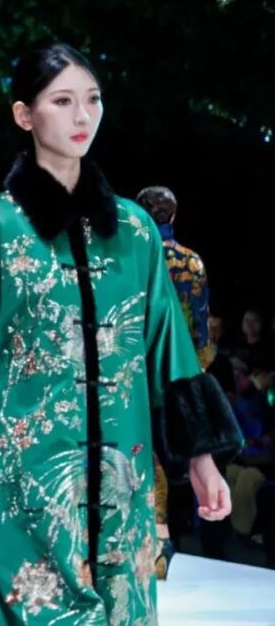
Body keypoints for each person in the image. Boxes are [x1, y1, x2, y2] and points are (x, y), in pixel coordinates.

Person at [0, 43, 241, 625]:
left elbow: (169, 350)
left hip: (124, 486)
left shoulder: (135, 231)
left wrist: (201, 458)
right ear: (24, 114)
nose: (82, 116)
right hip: (25, 484)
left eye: (92, 100)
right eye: (62, 101)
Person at [136, 184, 215, 576]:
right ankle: (164, 537)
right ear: (174, 215)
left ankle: (153, 536)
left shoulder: (132, 257)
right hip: (179, 366)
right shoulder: (191, 261)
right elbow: (200, 322)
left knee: (142, 448)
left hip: (136, 366)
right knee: (173, 451)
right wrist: (198, 368)